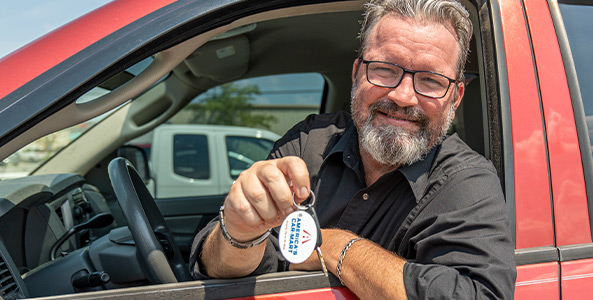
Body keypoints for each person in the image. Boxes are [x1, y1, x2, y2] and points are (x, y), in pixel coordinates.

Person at [189, 0, 516, 298]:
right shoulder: (308, 142)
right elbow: (225, 270)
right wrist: (240, 234)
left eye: (430, 80)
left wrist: (338, 246)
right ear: (357, 73)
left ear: (455, 98)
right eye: (385, 70)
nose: (402, 96)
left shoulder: (465, 182)